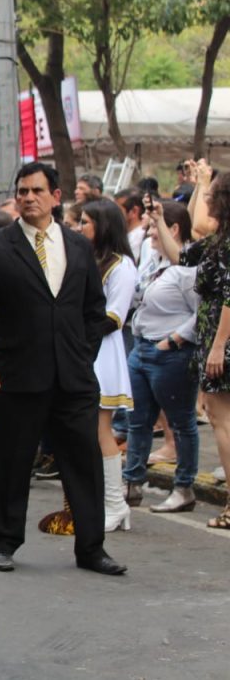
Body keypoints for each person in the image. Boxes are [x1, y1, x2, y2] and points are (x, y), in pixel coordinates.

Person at [0, 162, 126, 575]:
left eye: (37, 191)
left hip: (74, 377)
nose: (28, 198)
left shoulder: (77, 246)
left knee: (83, 463)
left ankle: (91, 548)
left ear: (56, 197)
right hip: (17, 374)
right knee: (12, 462)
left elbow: (93, 310)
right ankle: (4, 541)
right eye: (22, 191)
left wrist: (81, 353)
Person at [123, 200, 199, 512]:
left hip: (171, 354)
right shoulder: (151, 257)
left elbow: (202, 312)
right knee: (137, 420)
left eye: (155, 226)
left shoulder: (188, 267)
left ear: (174, 229)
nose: (149, 232)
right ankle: (132, 483)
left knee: (181, 423)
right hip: (141, 349)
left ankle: (184, 488)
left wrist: (174, 340)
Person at [72, 199, 137, 531]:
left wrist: (71, 326)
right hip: (82, 349)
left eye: (85, 222)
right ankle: (100, 502)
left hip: (102, 352)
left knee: (100, 431)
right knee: (83, 432)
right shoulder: (89, 259)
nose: (79, 227)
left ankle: (116, 504)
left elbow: (114, 318)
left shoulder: (122, 266)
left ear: (103, 226)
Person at [186, 172, 230, 528]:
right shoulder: (217, 240)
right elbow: (184, 251)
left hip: (222, 338)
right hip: (215, 334)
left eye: (210, 194)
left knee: (221, 420)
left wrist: (218, 347)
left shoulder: (226, 243)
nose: (206, 199)